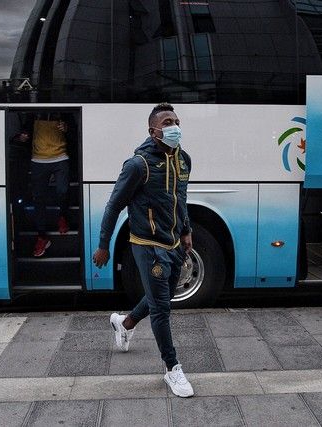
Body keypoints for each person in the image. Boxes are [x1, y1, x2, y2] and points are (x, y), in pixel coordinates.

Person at [92, 103, 194, 398]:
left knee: (162, 294)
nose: (174, 125)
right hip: (147, 245)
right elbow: (114, 205)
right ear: (154, 131)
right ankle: (172, 369)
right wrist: (104, 245)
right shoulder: (138, 165)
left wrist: (186, 230)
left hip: (173, 242)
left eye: (176, 120)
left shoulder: (183, 159)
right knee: (162, 307)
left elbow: (181, 198)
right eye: (167, 122)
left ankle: (125, 323)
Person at [14, 112, 71, 257]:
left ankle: (63, 216)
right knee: (38, 199)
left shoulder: (62, 110)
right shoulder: (33, 112)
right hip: (38, 159)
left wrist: (67, 127)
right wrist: (23, 136)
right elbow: (25, 130)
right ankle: (42, 237)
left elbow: (75, 127)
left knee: (62, 190)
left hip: (60, 156)